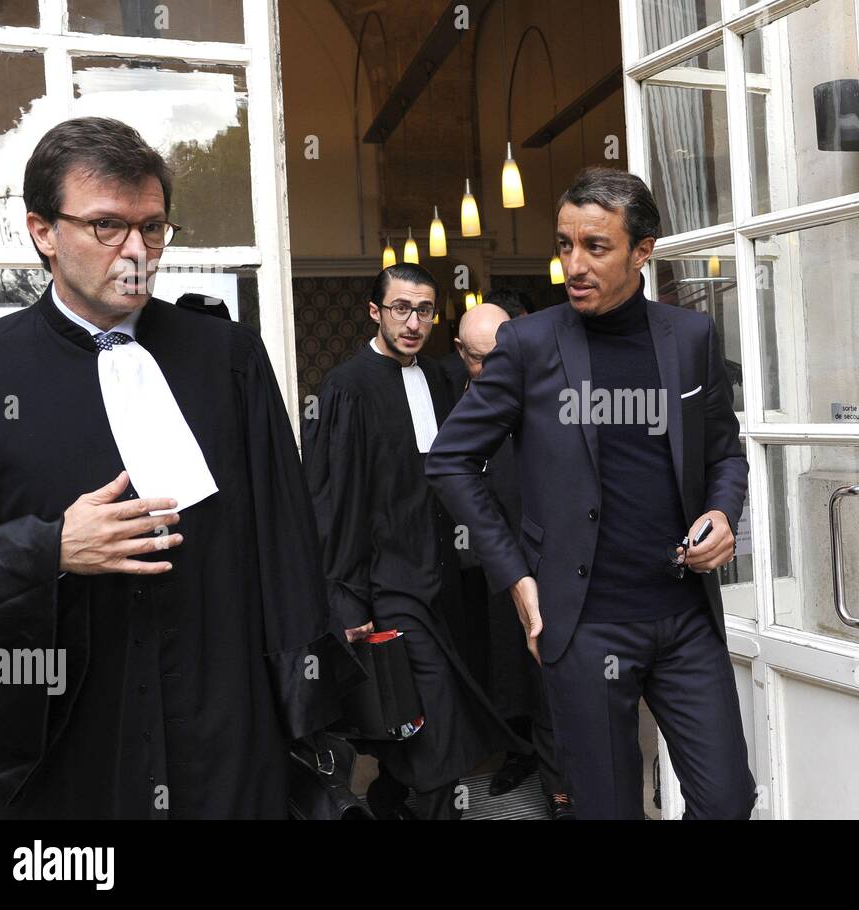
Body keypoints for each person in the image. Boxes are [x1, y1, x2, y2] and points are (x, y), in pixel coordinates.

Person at [0, 116, 358, 819]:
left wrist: (310, 719)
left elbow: (286, 547)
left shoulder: (229, 358)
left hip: (225, 727)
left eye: (153, 228)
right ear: (42, 231)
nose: (137, 252)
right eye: (107, 227)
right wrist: (49, 547)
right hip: (67, 741)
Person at [427, 167, 757, 819]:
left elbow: (724, 451)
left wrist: (722, 511)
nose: (574, 264)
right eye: (564, 245)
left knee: (727, 799)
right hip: (583, 624)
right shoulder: (528, 345)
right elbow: (450, 460)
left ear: (643, 250)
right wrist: (519, 581)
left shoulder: (690, 339)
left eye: (596, 247)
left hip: (684, 614)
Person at [302, 263, 527, 820]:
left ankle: (387, 798)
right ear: (375, 311)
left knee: (424, 715)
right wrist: (347, 599)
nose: (412, 321)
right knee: (436, 719)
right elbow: (335, 503)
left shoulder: (438, 378)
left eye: (424, 310)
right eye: (400, 308)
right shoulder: (346, 388)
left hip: (447, 579)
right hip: (388, 580)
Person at [451, 302, 575, 819]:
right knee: (502, 670)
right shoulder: (450, 398)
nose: (494, 367)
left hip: (547, 561)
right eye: (482, 359)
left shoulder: (547, 390)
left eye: (501, 354)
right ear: (461, 355)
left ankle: (562, 792)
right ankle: (518, 755)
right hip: (482, 563)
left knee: (550, 676)